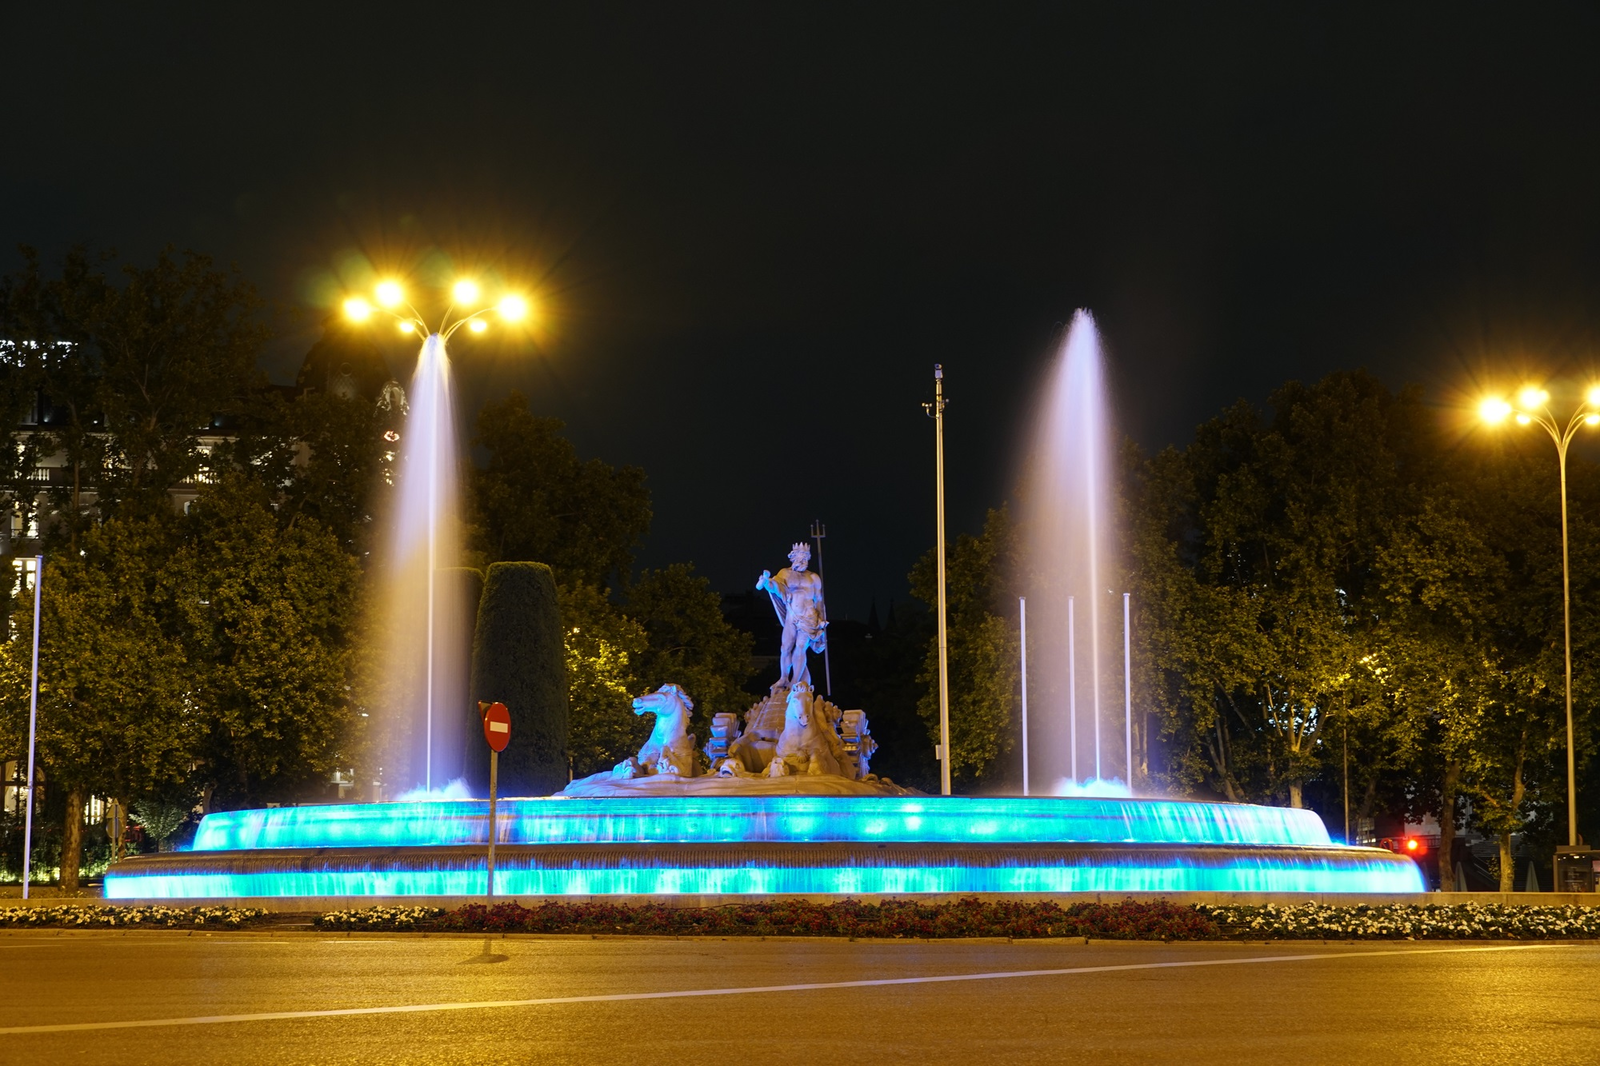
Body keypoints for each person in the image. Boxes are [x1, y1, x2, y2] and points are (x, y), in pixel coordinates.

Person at [757, 541, 827, 689]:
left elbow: (819, 600)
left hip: (809, 618)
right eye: (800, 557)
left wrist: (822, 619)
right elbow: (775, 587)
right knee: (785, 647)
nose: (803, 560)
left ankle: (795, 681)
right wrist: (765, 582)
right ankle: (783, 678)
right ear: (793, 557)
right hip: (792, 616)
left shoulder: (813, 578)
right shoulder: (785, 573)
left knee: (801, 647)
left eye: (806, 557)